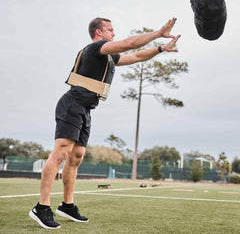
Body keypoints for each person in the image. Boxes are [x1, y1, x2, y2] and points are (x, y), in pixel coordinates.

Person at [29, 17, 181, 229]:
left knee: (77, 157)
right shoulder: (96, 48)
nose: (114, 33)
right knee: (60, 154)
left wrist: (160, 48)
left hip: (86, 109)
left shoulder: (109, 57)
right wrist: (157, 33)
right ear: (99, 33)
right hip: (72, 104)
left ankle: (67, 205)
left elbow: (136, 55)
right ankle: (42, 207)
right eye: (110, 30)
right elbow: (130, 44)